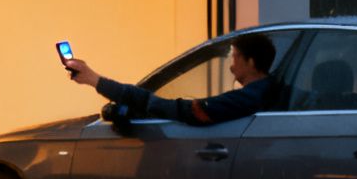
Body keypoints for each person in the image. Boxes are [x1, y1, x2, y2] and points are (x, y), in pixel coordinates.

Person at [65, 33, 278, 125]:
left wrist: (94, 79)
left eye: (235, 58)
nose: (231, 66)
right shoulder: (278, 92)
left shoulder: (246, 100)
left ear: (250, 62)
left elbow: (189, 111)